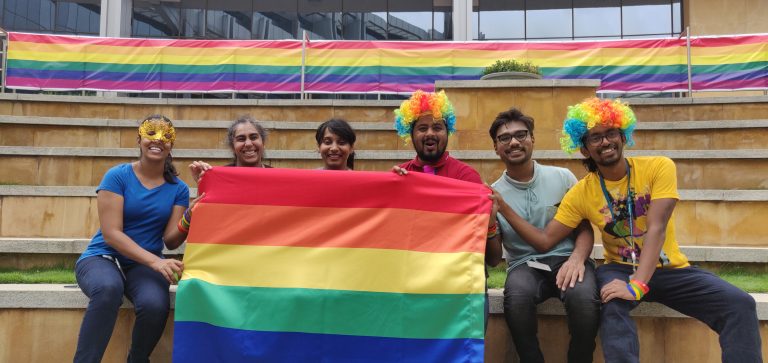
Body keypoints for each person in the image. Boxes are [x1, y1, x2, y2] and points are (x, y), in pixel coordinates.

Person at [490, 97, 762, 363]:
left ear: (623, 137)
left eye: (611, 133)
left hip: (670, 269)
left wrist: (638, 284)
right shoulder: (581, 193)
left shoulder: (659, 167)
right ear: (584, 149)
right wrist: (502, 207)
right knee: (611, 304)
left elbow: (657, 228)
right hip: (619, 268)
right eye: (595, 137)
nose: (605, 142)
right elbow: (545, 239)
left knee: (740, 304)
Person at [74, 115, 190, 363]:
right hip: (102, 257)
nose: (158, 140)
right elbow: (111, 233)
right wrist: (156, 262)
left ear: (172, 144)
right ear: (139, 139)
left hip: (142, 265)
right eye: (151, 133)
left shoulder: (179, 188)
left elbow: (171, 241)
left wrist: (190, 216)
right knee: (108, 289)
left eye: (166, 135)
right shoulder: (117, 176)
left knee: (154, 304)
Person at [488, 107, 599, 363]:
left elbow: (584, 229)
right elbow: (494, 259)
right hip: (524, 266)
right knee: (517, 298)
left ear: (532, 139)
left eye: (521, 134)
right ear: (495, 147)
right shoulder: (494, 194)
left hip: (567, 259)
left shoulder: (562, 177)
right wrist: (490, 224)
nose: (514, 142)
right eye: (504, 138)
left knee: (584, 299)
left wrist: (577, 259)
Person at [391, 90, 503, 327]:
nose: (430, 133)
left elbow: (494, 260)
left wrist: (491, 223)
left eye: (437, 127)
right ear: (410, 134)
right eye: (422, 128)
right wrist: (392, 192)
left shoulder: (467, 178)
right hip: (412, 285)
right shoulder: (399, 177)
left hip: (459, 288)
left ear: (447, 132)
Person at [189, 116, 272, 183]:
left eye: (253, 137)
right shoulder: (218, 179)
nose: (248, 144)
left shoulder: (276, 178)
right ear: (232, 146)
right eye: (241, 139)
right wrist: (203, 183)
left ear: (263, 142)